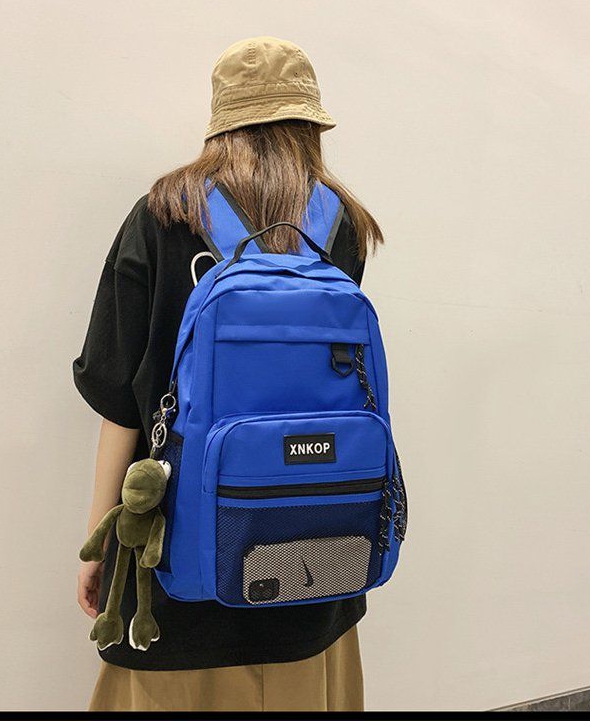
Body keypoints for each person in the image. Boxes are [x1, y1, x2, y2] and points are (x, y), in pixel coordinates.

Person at [73, 36, 383, 712]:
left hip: (175, 581)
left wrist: (99, 538)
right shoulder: (343, 227)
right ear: (310, 125)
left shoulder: (163, 213)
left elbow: (118, 396)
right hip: (317, 568)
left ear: (221, 123)